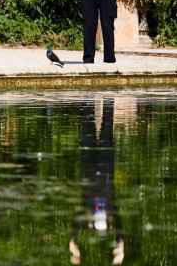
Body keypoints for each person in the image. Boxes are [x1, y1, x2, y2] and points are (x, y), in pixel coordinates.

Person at [69, 98, 124, 265]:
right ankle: (107, 97)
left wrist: (73, 243)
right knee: (106, 124)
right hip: (105, 162)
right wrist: (120, 246)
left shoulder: (88, 207)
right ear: (106, 219)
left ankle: (87, 98)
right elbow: (119, 227)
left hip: (89, 162)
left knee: (88, 124)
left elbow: (77, 223)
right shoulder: (110, 208)